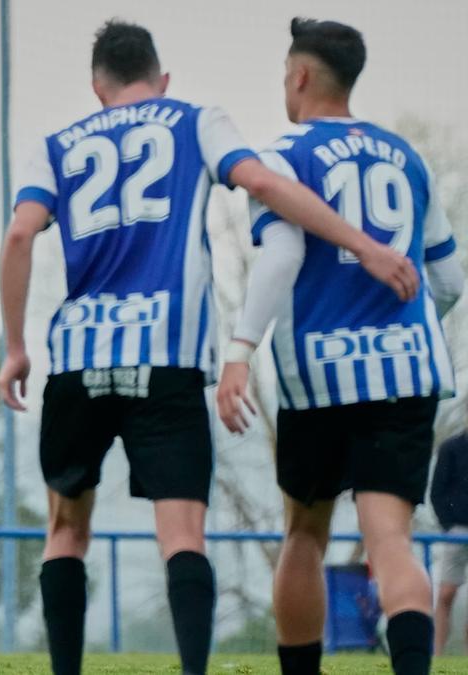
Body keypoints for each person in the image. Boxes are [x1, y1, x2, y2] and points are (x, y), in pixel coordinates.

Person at [0, 20, 419, 675]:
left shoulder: (53, 147)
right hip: (167, 357)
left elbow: (21, 235)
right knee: (183, 535)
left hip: (79, 358)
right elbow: (266, 186)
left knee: (66, 532)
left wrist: (16, 346)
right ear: (161, 78)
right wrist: (364, 245)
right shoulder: (194, 118)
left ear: (96, 85)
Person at [217, 18, 464, 675]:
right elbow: (448, 280)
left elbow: (281, 257)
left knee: (304, 532)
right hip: (405, 374)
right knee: (391, 539)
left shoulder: (281, 157)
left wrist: (241, 347)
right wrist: (402, 325)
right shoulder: (406, 157)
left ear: (299, 75)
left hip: (320, 375)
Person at [432, 431, 468, 655]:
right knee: (446, 593)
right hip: (457, 530)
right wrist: (449, 524)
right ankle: (437, 653)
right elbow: (438, 491)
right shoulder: (451, 447)